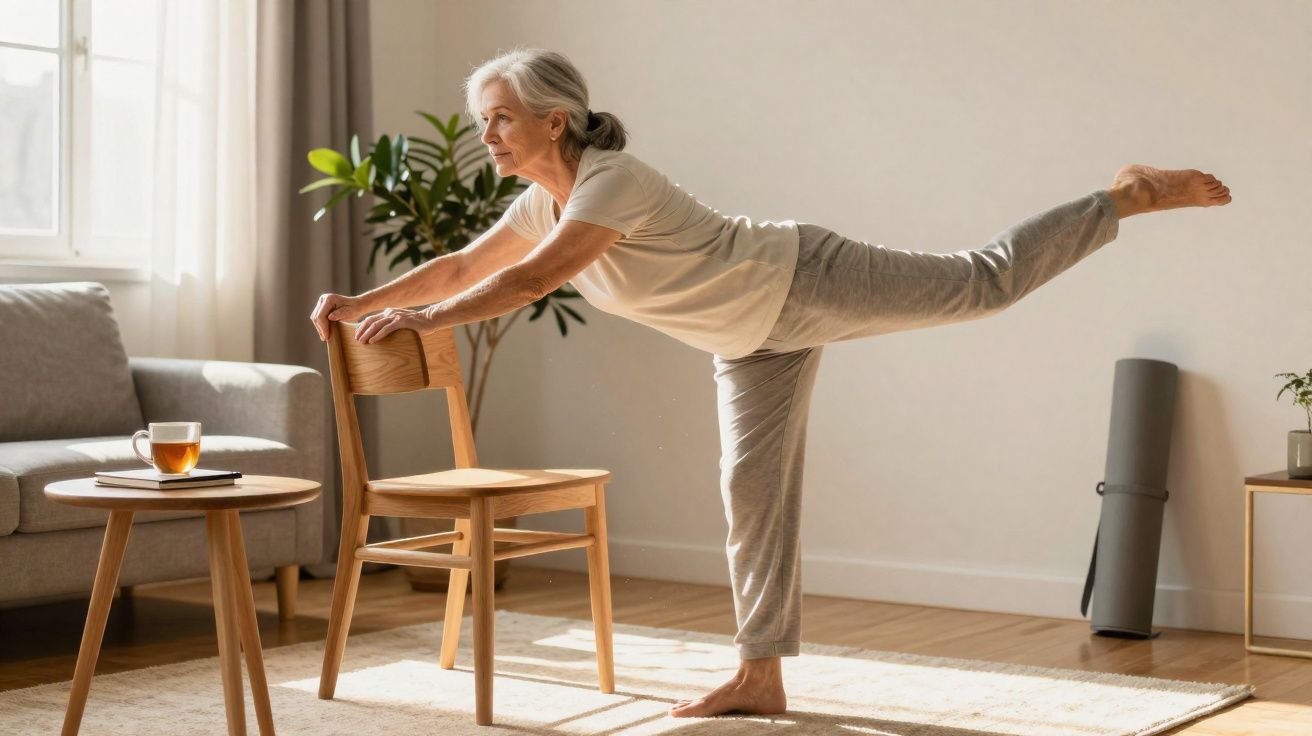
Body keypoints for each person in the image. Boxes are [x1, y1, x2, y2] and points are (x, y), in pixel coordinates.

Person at [310, 47, 1231, 718]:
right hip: (751, 341)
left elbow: (527, 280)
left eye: (500, 117)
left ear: (555, 118)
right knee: (751, 494)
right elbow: (461, 266)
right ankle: (761, 674)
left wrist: (425, 323)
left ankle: (1125, 196)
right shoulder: (536, 199)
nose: (488, 135)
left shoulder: (611, 181)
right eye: (483, 122)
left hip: (797, 274)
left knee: (981, 282)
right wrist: (362, 302)